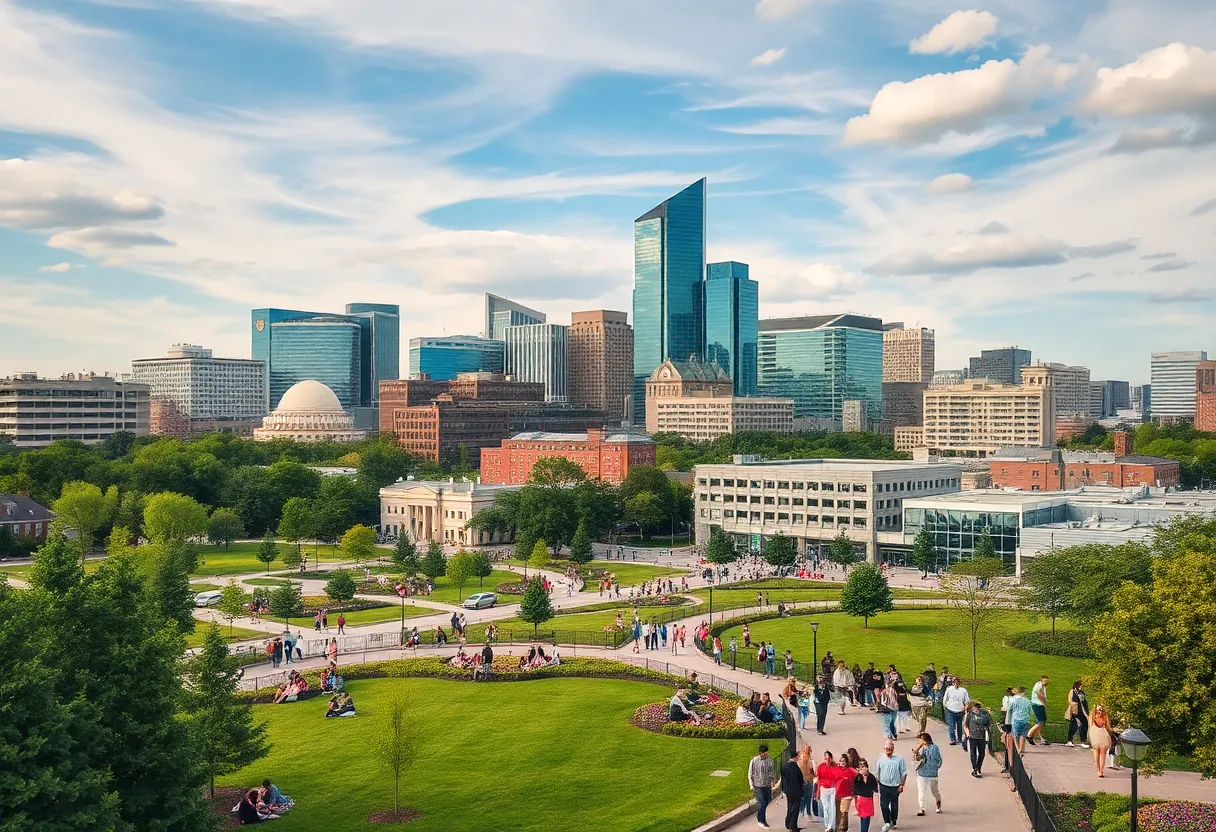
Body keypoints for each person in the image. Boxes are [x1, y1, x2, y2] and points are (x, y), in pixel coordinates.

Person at [874, 739, 907, 832]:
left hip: (895, 786)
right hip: (883, 785)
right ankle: (887, 822)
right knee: (884, 805)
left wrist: (901, 785)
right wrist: (876, 785)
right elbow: (877, 774)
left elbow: (904, 773)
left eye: (890, 748)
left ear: (893, 748)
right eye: (886, 748)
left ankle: (894, 820)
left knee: (894, 805)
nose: (888, 750)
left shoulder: (899, 759)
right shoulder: (880, 759)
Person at [911, 732, 942, 816]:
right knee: (921, 791)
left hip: (932, 773)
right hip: (922, 773)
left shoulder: (934, 748)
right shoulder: (921, 749)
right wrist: (917, 749)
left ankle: (938, 804)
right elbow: (916, 759)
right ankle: (921, 808)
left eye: (920, 741)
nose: (919, 742)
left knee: (934, 791)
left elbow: (938, 760)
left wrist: (935, 768)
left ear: (924, 740)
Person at [749, 744, 778, 829]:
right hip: (757, 786)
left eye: (766, 752)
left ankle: (760, 816)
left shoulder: (769, 761)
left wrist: (772, 781)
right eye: (764, 753)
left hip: (767, 785)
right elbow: (750, 773)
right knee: (762, 803)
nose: (766, 754)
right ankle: (761, 820)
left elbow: (771, 772)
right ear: (760, 753)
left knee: (767, 801)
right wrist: (751, 785)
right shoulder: (754, 761)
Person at [780, 745, 806, 832]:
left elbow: (783, 778)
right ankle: (793, 825)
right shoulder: (795, 767)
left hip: (788, 790)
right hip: (796, 790)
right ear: (795, 757)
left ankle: (788, 823)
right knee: (795, 808)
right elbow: (799, 778)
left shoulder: (784, 766)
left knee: (790, 806)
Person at [941, 677, 970, 746]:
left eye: (957, 683)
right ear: (953, 683)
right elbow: (945, 699)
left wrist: (965, 707)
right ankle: (953, 739)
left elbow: (967, 700)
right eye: (955, 682)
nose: (956, 684)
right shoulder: (949, 689)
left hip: (960, 710)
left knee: (959, 725)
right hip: (951, 710)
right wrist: (947, 706)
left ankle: (959, 738)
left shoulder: (963, 690)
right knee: (952, 725)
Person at [835, 748, 859, 832]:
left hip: (847, 794)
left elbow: (858, 777)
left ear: (846, 761)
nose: (841, 762)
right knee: (839, 812)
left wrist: (854, 789)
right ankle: (839, 827)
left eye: (843, 761)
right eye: (840, 761)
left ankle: (843, 828)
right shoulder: (836, 769)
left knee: (843, 812)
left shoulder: (850, 770)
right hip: (837, 794)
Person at [816, 751, 839, 832]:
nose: (827, 759)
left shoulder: (835, 766)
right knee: (826, 807)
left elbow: (838, 777)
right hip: (824, 788)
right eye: (825, 757)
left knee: (832, 807)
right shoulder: (821, 766)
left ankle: (832, 826)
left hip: (832, 788)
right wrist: (818, 792)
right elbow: (819, 779)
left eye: (828, 757)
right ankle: (827, 825)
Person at [1088, 705, 1114, 777]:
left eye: (1101, 710)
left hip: (1102, 735)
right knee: (1097, 752)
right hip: (1096, 735)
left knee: (1102, 752)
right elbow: (1091, 718)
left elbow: (1108, 727)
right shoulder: (1093, 717)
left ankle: (1101, 770)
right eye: (1099, 710)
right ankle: (1098, 769)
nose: (1100, 712)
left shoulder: (1104, 717)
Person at [1007, 687, 1034, 755]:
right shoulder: (1028, 701)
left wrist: (1008, 720)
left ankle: (1017, 748)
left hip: (1015, 719)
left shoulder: (1014, 701)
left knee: (1015, 735)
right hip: (1025, 719)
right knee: (1022, 735)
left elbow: (1010, 710)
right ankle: (1020, 748)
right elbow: (1031, 711)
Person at [853, 760, 878, 832]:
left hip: (869, 799)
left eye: (864, 766)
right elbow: (854, 788)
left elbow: (875, 787)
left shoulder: (871, 776)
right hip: (861, 799)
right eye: (861, 767)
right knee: (864, 817)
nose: (863, 769)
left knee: (866, 817)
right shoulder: (857, 777)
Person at [1065, 681, 1090, 748]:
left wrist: (1087, 711)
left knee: (1085, 724)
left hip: (1081, 711)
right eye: (1081, 686)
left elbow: (1084, 702)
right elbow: (1070, 701)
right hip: (1074, 711)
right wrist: (1073, 709)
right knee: (1073, 725)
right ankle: (1070, 740)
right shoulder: (1072, 691)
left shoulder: (1082, 693)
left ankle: (1083, 740)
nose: (1082, 687)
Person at [1028, 676, 1052, 746]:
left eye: (1047, 681)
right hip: (1037, 705)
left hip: (1039, 705)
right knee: (1040, 721)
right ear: (1041, 680)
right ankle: (1029, 735)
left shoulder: (1042, 686)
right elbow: (1037, 693)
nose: (1046, 682)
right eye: (1045, 680)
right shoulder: (1039, 685)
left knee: (1042, 721)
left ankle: (1040, 737)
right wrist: (1043, 702)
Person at [796, 746, 817, 822]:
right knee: (804, 798)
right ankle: (803, 812)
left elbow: (812, 771)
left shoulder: (809, 761)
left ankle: (805, 813)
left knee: (807, 798)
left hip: (808, 781)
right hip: (805, 781)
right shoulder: (800, 762)